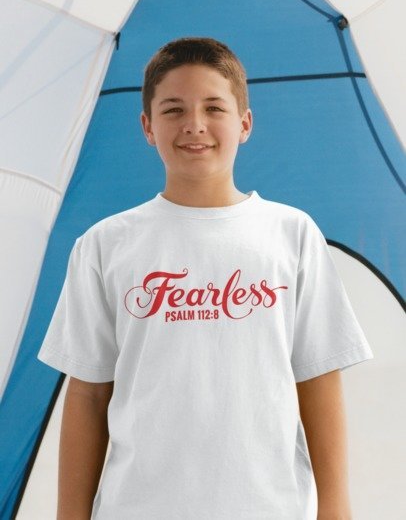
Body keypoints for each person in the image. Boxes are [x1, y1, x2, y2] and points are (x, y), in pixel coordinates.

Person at [37, 36, 374, 519]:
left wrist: (336, 509)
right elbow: (89, 394)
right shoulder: (105, 244)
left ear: (245, 123)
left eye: (214, 108)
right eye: (173, 110)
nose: (194, 124)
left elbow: (318, 376)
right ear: (147, 126)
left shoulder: (293, 234)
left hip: (270, 508)